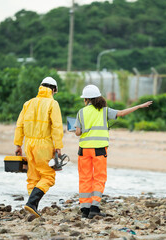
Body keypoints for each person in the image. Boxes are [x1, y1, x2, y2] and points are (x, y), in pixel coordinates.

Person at [74, 84, 152, 219]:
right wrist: (139, 106)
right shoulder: (104, 111)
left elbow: (77, 132)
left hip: (83, 150)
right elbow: (121, 113)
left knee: (85, 178)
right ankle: (94, 208)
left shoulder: (81, 112)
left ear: (86, 99)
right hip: (99, 150)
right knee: (99, 178)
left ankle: (85, 210)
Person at [14, 76, 64, 218]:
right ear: (53, 90)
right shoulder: (53, 104)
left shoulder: (28, 103)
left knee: (33, 177)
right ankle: (32, 204)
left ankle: (32, 206)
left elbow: (19, 125)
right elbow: (57, 127)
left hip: (29, 144)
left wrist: (18, 144)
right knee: (48, 176)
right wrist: (58, 146)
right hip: (44, 145)